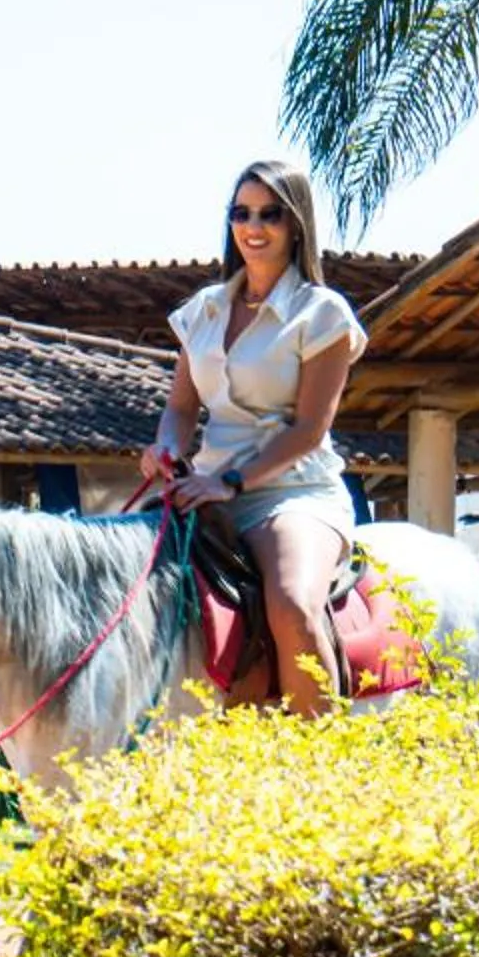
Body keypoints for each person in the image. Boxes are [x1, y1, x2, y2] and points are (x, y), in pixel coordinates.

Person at [141, 159, 368, 716]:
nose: (253, 226)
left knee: (291, 603)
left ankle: (323, 751)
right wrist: (166, 448)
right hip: (205, 490)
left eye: (270, 214)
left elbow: (309, 430)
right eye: (241, 213)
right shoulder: (202, 311)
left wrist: (231, 482)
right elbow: (181, 408)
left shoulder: (322, 313)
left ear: (296, 225)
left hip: (293, 494)